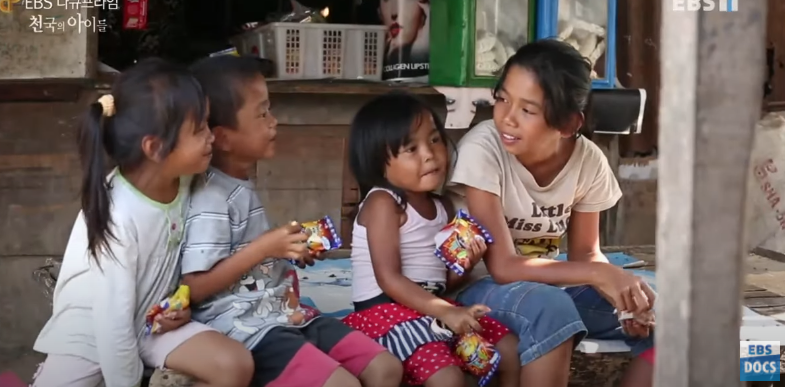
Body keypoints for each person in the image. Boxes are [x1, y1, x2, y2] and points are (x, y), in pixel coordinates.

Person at [182, 55, 403, 387]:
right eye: (262, 113)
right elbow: (194, 288)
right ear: (223, 138)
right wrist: (265, 248)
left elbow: (250, 254)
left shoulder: (238, 185)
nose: (274, 122)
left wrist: (287, 251)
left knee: (385, 367)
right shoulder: (210, 199)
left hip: (288, 314)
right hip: (248, 329)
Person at [446, 38, 656, 387]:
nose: (507, 118)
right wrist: (598, 273)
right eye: (502, 99)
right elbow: (502, 267)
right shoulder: (483, 149)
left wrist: (623, 298)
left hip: (546, 286)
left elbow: (586, 253)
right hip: (477, 288)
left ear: (569, 123)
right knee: (551, 308)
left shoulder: (589, 161)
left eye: (527, 110)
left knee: (661, 312)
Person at [32, 58, 254, 387]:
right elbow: (112, 326)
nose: (211, 137)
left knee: (234, 365)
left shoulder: (184, 180)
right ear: (155, 147)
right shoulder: (119, 216)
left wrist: (179, 306)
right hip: (92, 335)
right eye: (199, 129)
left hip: (153, 322)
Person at [341, 92, 520, 387]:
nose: (429, 154)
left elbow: (437, 283)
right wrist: (446, 311)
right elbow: (389, 279)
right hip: (383, 316)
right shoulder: (383, 203)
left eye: (435, 139)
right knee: (446, 376)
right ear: (378, 162)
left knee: (509, 349)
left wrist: (465, 265)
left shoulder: (443, 207)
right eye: (411, 148)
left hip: (429, 309)